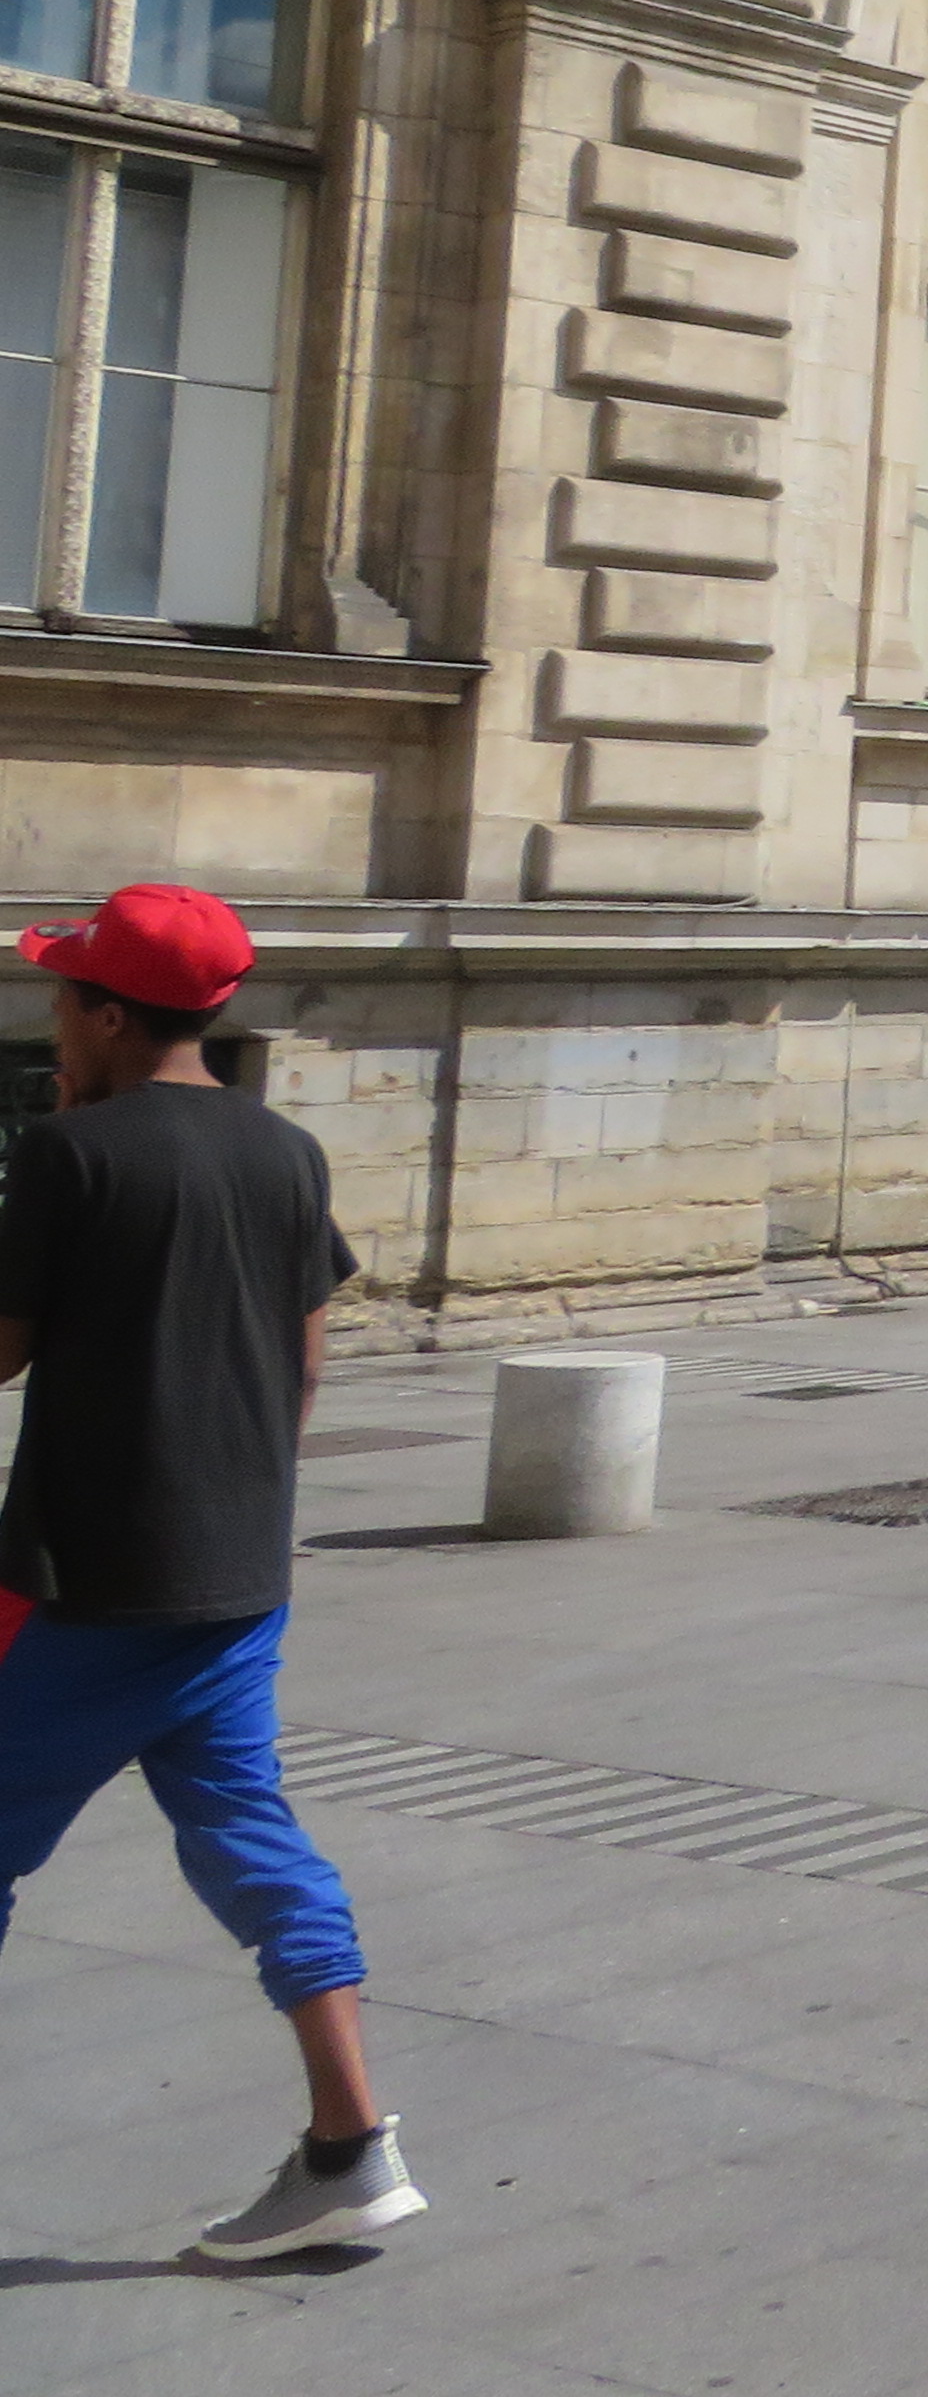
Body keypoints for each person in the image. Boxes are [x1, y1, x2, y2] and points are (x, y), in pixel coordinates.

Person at [0, 884, 426, 2259]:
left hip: (84, 1583)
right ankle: (349, 2144)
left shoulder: (70, 1152)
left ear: (109, 1016)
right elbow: (304, 1360)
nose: (50, 1015)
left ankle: (351, 2150)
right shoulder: (286, 1151)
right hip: (235, 1575)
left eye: (62, 994)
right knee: (250, 1837)